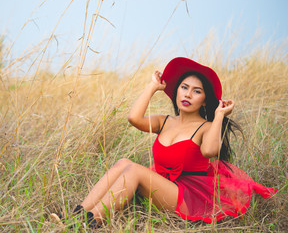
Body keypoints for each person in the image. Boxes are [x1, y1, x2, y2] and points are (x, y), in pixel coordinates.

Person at [50, 57, 277, 228]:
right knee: (123, 162)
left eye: (196, 91)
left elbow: (210, 151)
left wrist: (219, 115)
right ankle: (77, 215)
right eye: (184, 87)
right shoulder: (165, 121)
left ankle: (87, 224)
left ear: (205, 99)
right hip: (163, 185)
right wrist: (152, 87)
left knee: (135, 172)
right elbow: (134, 118)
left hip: (188, 195)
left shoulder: (206, 127)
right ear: (176, 91)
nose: (188, 94)